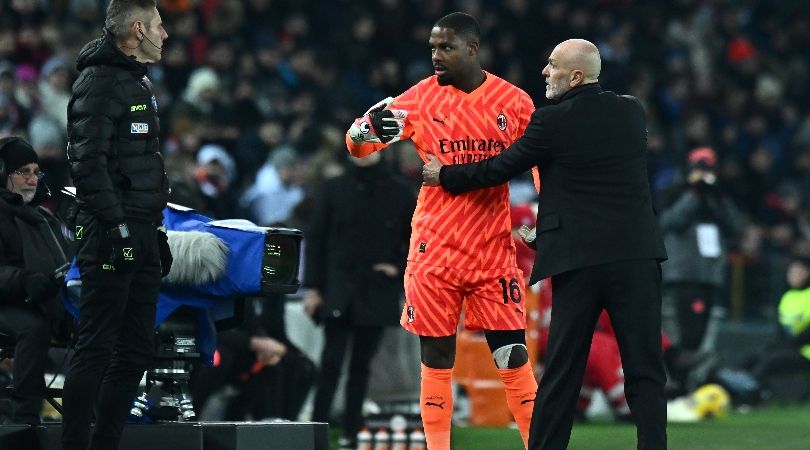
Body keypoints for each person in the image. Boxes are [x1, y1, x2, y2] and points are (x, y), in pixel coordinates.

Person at [424, 38, 669, 450]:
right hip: (636, 256)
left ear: (575, 76)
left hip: (579, 261)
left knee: (562, 370)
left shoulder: (551, 122)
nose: (544, 71)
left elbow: (500, 168)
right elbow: (597, 181)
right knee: (645, 368)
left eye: (553, 65)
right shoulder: (631, 112)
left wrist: (445, 175)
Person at [346, 12, 539, 450]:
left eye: (445, 47)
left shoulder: (514, 103)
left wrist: (546, 215)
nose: (435, 55)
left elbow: (541, 160)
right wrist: (363, 130)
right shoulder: (418, 100)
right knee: (435, 359)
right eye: (432, 47)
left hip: (492, 248)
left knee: (512, 356)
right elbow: (358, 146)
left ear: (472, 49)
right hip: (436, 250)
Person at [61, 1, 171, 449]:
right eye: (160, 26)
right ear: (139, 29)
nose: (165, 35)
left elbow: (137, 165)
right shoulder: (99, 82)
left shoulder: (134, 81)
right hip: (111, 232)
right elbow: (87, 165)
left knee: (137, 349)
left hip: (141, 227)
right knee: (97, 345)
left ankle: (105, 443)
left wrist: (152, 228)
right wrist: (118, 227)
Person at [302, 152, 416, 449]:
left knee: (361, 367)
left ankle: (351, 433)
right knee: (331, 363)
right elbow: (316, 238)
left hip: (375, 287)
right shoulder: (334, 187)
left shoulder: (399, 190)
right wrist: (313, 287)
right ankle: (318, 430)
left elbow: (419, 237)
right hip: (339, 286)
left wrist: (400, 267)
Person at [656, 146, 743, 393]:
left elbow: (735, 227)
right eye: (699, 168)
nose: (704, 174)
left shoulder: (718, 197)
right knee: (679, 336)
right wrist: (693, 194)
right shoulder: (675, 192)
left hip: (708, 278)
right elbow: (668, 221)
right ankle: (676, 387)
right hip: (682, 276)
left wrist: (719, 197)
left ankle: (691, 387)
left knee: (699, 338)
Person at [0, 136, 71, 425]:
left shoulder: (45, 218)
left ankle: (92, 416)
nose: (32, 179)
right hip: (8, 301)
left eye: (35, 172)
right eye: (23, 172)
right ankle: (24, 420)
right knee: (34, 327)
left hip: (44, 300)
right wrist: (26, 280)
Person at [190, 295, 315, 422]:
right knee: (220, 359)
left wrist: (270, 347)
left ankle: (280, 425)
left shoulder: (272, 292)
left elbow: (265, 329)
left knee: (297, 365)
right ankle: (191, 420)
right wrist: (255, 343)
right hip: (214, 347)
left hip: (248, 350)